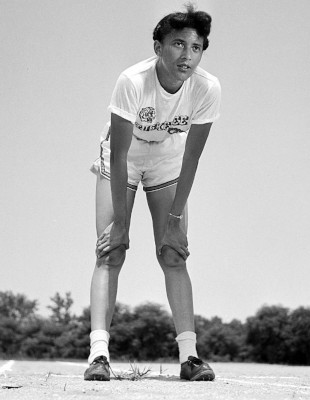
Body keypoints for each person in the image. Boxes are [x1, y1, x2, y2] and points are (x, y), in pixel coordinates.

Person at [84, 3, 221, 382]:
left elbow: (192, 159)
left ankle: (190, 357)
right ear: (158, 47)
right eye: (178, 44)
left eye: (196, 47)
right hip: (125, 156)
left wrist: (175, 221)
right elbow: (124, 151)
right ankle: (98, 355)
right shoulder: (132, 81)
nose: (187, 55)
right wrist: (123, 224)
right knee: (111, 249)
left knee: (173, 253)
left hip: (167, 157)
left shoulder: (207, 88)